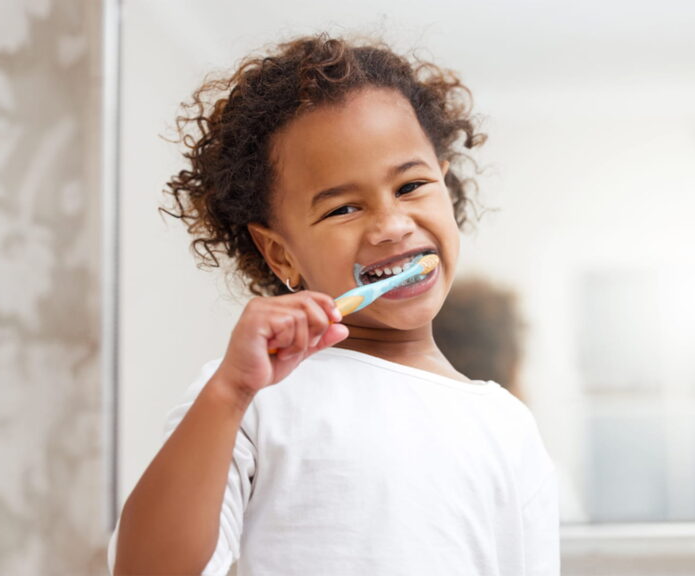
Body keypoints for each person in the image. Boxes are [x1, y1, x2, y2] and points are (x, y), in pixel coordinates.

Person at [110, 33, 559, 576]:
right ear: (280, 253)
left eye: (412, 185)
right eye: (344, 208)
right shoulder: (254, 399)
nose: (392, 226)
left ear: (445, 182)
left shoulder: (505, 424)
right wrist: (229, 393)